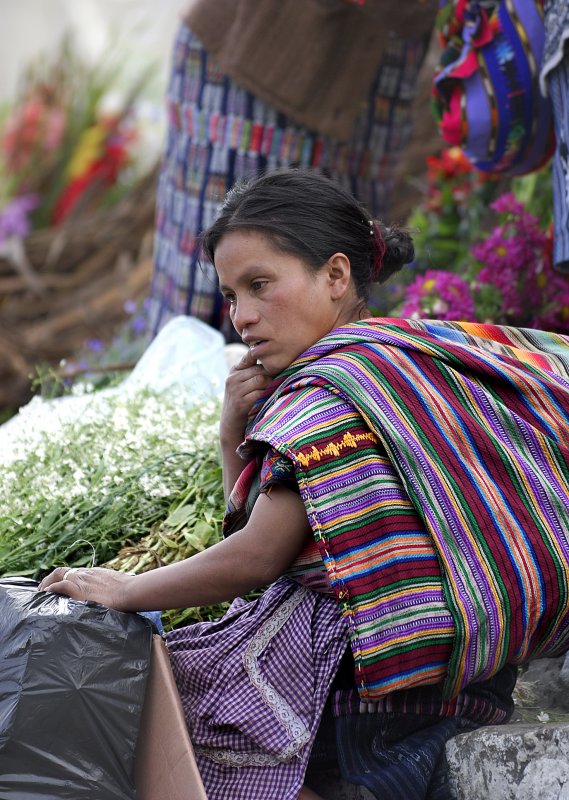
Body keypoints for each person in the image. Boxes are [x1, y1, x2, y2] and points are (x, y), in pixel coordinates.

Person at [39, 169, 569, 800]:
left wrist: (127, 591)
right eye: (233, 296)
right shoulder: (398, 356)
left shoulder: (328, 390)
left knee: (148, 715)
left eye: (260, 285)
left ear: (336, 276)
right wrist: (232, 432)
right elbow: (279, 530)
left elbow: (260, 555)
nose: (242, 316)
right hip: (449, 676)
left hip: (369, 685)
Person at [146, 0, 438, 340]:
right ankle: (215, 384)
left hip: (375, 63)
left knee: (337, 247)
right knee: (238, 254)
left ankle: (304, 374)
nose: (243, 318)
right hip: (266, 51)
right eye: (233, 299)